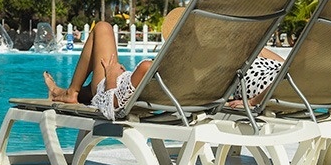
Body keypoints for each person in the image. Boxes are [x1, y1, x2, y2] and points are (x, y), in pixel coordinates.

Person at [42, 19, 284, 121]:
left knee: (102, 27)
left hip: (110, 89)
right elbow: (287, 71)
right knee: (103, 34)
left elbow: (109, 107)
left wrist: (114, 75)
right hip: (128, 84)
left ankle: (70, 93)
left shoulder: (156, 68)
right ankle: (71, 91)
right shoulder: (247, 57)